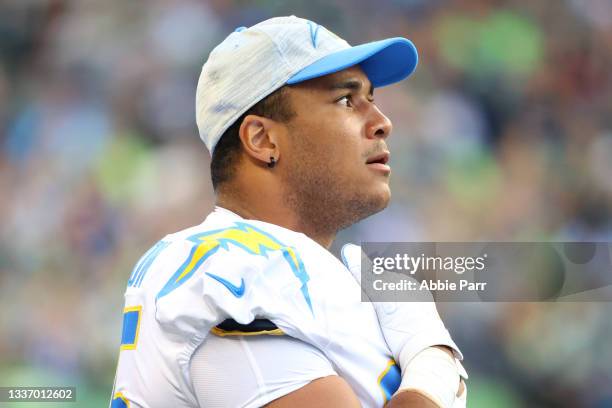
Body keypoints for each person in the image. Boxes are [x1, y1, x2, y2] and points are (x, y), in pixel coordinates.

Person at [111, 15, 467, 408]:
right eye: (346, 100)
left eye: (372, 99)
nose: (383, 123)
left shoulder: (304, 273)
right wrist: (433, 362)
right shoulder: (233, 265)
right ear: (262, 139)